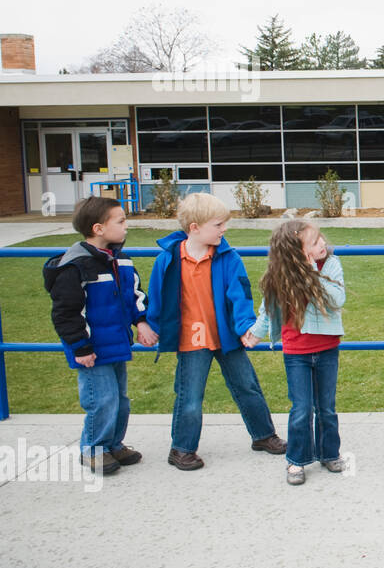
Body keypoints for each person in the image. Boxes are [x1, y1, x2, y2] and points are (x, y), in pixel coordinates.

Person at [146, 192, 287, 470]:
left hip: (226, 337)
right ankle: (182, 449)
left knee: (247, 387)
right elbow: (157, 296)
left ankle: (263, 436)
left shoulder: (228, 257)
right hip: (190, 341)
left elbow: (240, 295)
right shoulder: (167, 260)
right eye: (218, 225)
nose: (224, 230)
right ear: (195, 228)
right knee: (190, 396)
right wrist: (151, 326)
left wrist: (246, 328)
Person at [44, 196, 158, 475]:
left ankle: (113, 444)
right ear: (98, 228)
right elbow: (66, 313)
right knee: (101, 399)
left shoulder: (122, 261)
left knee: (119, 399)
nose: (126, 226)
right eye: (120, 221)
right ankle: (93, 449)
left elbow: (135, 296)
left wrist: (141, 322)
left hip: (115, 345)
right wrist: (81, 347)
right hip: (91, 350)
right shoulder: (75, 267)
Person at [245, 220, 347, 486]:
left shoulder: (331, 265)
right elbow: (268, 308)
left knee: (326, 407)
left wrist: (311, 270)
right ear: (295, 252)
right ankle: (296, 459)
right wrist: (256, 333)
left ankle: (329, 453)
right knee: (301, 408)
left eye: (320, 238)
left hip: (326, 350)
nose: (322, 244)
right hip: (296, 353)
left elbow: (336, 299)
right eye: (314, 243)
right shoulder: (281, 275)